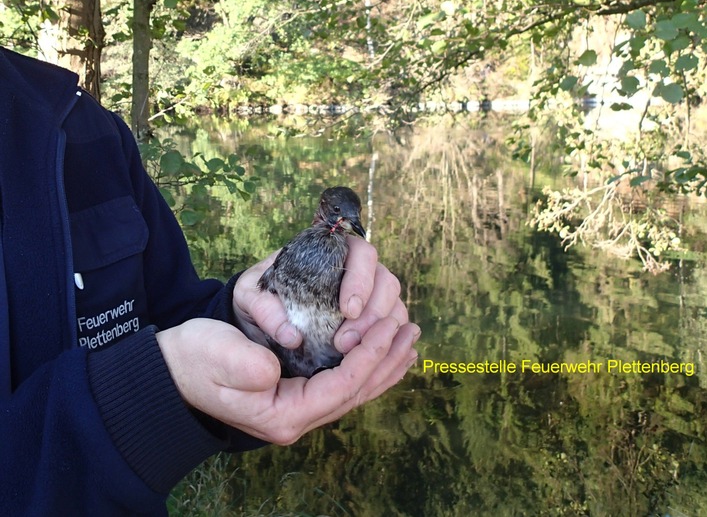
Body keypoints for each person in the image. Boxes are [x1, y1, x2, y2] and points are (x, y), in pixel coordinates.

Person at [0, 46, 420, 516]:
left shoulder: (80, 123)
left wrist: (245, 327)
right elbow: (161, 368)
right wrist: (151, 392)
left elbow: (173, 320)